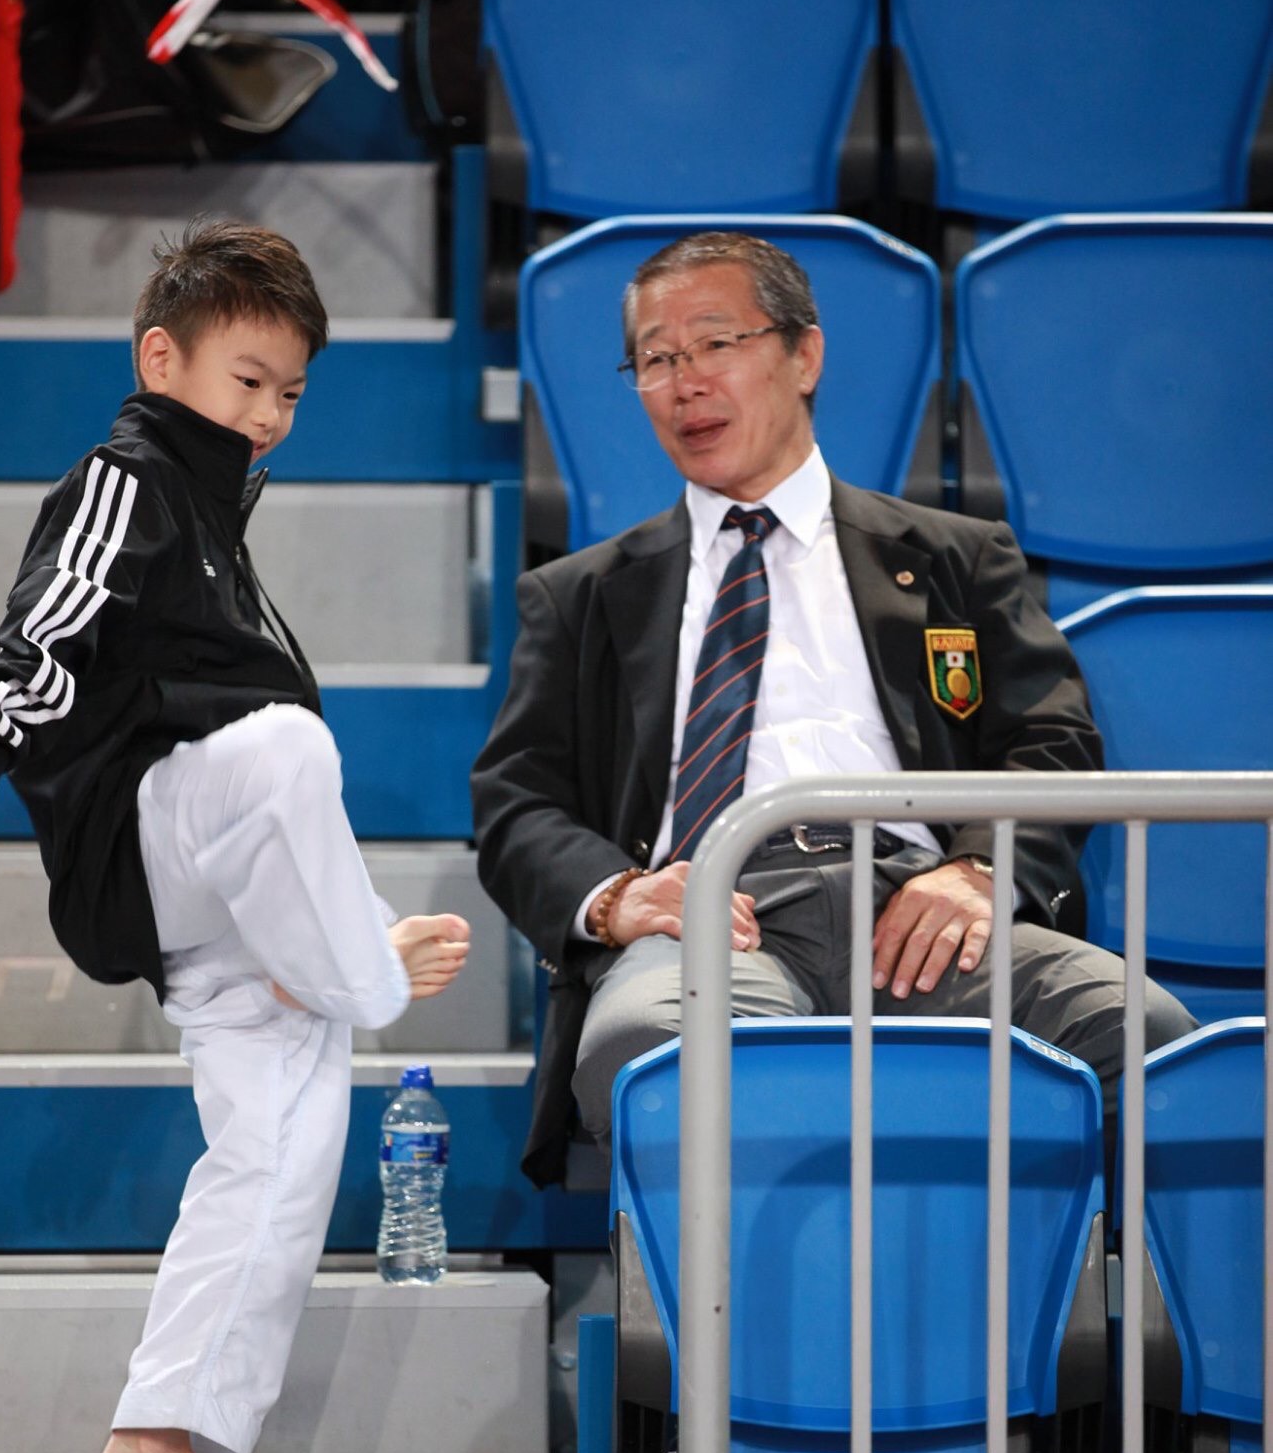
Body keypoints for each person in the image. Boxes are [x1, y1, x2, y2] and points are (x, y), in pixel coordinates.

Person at [0, 218, 471, 1453]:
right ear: (162, 360)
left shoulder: (220, 509)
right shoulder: (131, 474)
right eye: (247, 380)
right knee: (285, 748)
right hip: (143, 839)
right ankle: (359, 967)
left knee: (283, 1146)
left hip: (213, 890)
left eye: (291, 393)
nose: (270, 415)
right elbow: (54, 611)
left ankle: (158, 1438)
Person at [471, 229, 1193, 1187]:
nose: (685, 382)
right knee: (654, 1048)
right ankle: (775, 1289)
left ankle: (1055, 1284)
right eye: (655, 359)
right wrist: (616, 895)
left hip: (921, 913)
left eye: (714, 343)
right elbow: (516, 800)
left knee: (1147, 1037)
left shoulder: (954, 558)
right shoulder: (581, 596)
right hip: (716, 917)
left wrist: (978, 869)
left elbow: (1050, 742)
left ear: (802, 355)